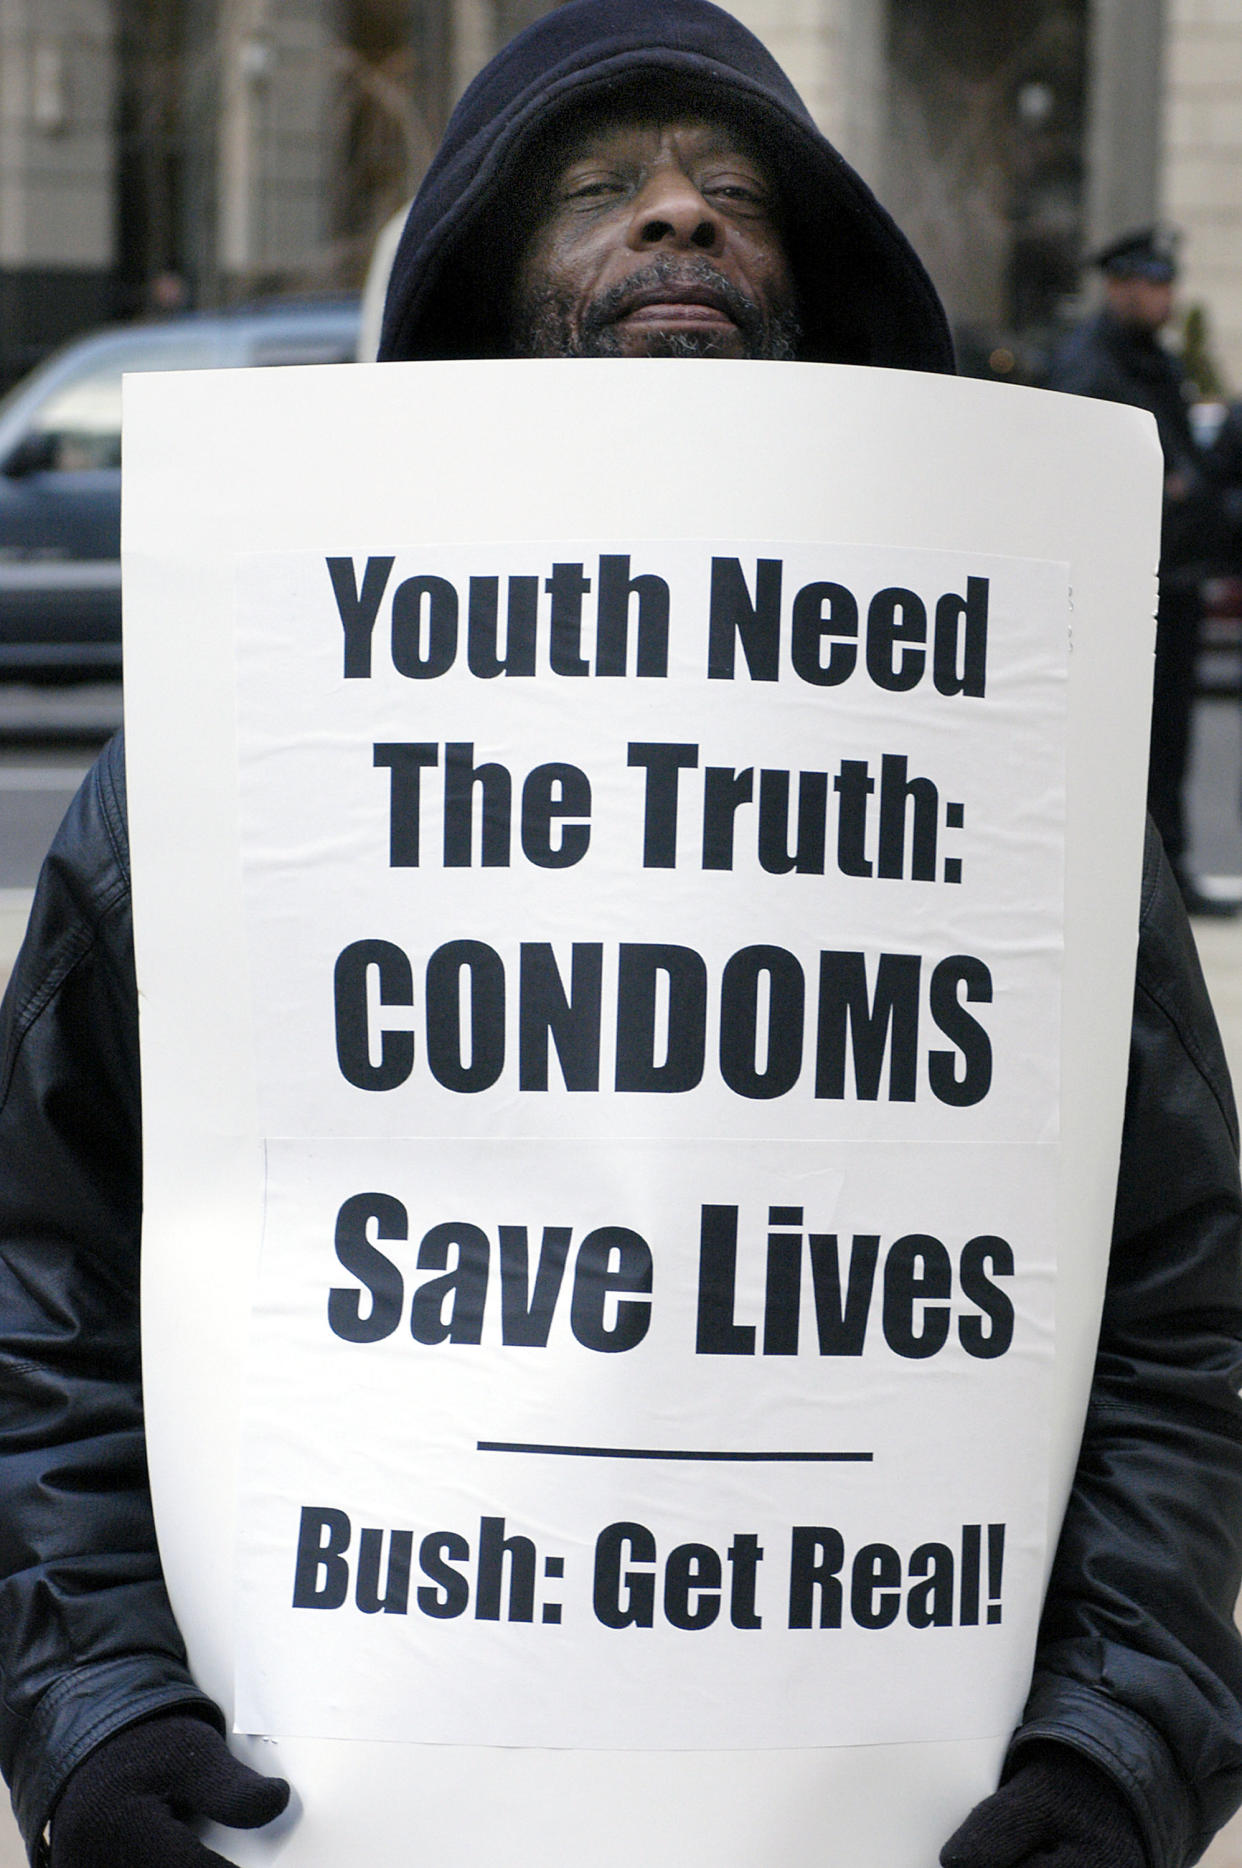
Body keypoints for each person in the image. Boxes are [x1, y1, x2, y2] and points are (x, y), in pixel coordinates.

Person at [2, 4, 1242, 1865]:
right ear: (477, 303)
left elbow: (1166, 1305)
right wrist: (98, 1707)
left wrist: (1108, 1745)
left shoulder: (1001, 787)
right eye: (602, 190)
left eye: (733, 193)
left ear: (810, 296)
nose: (679, 218)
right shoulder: (233, 762)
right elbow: (50, 1276)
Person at [1046, 227, 1234, 917]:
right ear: (1120, 284)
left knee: (1168, 745)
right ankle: (1137, 890)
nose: (1165, 296)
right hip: (1129, 591)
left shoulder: (1149, 358)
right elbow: (1098, 482)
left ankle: (1167, 879)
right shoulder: (1094, 365)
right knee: (1134, 747)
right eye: (1153, 283)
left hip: (1171, 579)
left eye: (1168, 283)